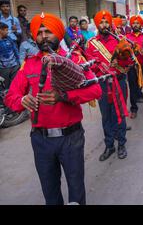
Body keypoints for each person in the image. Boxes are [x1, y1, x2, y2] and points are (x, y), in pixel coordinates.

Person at [5, 12, 102, 205]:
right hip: (40, 140)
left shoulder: (74, 60)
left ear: (58, 33)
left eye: (48, 31)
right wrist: (22, 100)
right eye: (39, 32)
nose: (43, 36)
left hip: (71, 138)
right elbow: (11, 97)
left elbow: (96, 89)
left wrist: (65, 96)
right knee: (50, 193)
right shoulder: (29, 65)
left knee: (76, 191)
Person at [85, 10, 134, 161]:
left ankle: (121, 144)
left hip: (118, 82)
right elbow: (88, 67)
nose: (104, 25)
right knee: (106, 116)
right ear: (97, 24)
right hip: (103, 85)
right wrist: (100, 67)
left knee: (119, 114)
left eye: (107, 22)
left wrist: (119, 62)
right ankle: (109, 145)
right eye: (102, 22)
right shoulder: (91, 43)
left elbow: (131, 61)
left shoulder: (120, 40)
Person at [0, 22, 20, 88]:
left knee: (15, 84)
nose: (7, 32)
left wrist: (18, 62)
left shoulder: (9, 38)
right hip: (3, 68)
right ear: (1, 30)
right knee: (5, 86)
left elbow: (15, 50)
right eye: (6, 30)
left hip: (14, 66)